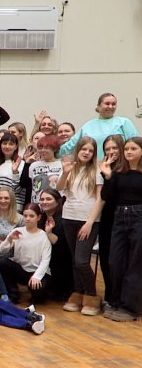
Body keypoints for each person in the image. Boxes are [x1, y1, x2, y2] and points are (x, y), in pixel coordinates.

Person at [57, 137, 104, 315]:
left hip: (88, 220)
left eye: (90, 150)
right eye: (84, 149)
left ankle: (91, 295)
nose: (86, 153)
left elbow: (100, 199)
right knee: (74, 260)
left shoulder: (97, 170)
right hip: (69, 217)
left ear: (94, 154)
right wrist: (65, 173)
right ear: (78, 150)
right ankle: (78, 293)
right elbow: (59, 188)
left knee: (82, 260)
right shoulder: (71, 168)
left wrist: (89, 223)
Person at [101, 137, 142, 322]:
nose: (129, 152)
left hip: (139, 216)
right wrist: (108, 176)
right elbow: (107, 196)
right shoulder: (119, 173)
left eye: (133, 148)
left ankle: (130, 307)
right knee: (115, 261)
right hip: (119, 217)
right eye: (126, 149)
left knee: (135, 263)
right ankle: (115, 301)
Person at [0, 204, 52, 304]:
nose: (28, 219)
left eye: (31, 216)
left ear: (38, 217)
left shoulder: (43, 236)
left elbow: (45, 260)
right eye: (25, 215)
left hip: (36, 271)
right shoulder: (17, 231)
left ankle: (37, 296)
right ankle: (13, 294)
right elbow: (2, 250)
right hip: (21, 270)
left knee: (38, 290)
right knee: (1, 262)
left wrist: (37, 276)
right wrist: (9, 239)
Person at [59, 93, 138, 159]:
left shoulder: (124, 122)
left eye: (113, 104)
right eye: (107, 103)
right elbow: (70, 146)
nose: (110, 106)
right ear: (98, 106)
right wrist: (53, 150)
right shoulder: (88, 126)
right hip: (94, 168)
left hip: (120, 168)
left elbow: (136, 145)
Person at [97, 134, 124, 307]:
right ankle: (109, 295)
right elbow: (105, 196)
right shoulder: (104, 168)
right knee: (106, 257)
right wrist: (107, 175)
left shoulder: (128, 169)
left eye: (114, 148)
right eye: (108, 149)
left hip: (125, 218)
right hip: (107, 217)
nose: (111, 151)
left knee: (120, 259)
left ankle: (121, 297)